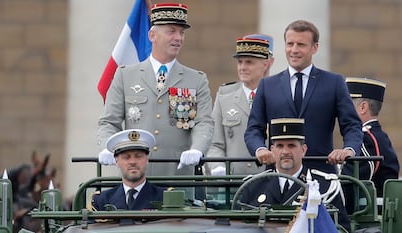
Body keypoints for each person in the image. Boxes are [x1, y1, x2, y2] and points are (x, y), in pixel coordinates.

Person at [97, 3, 213, 177]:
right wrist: (109, 145)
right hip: (137, 175)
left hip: (178, 175)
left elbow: (204, 123)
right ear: (152, 35)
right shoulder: (125, 75)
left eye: (182, 33)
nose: (178, 38)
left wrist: (197, 149)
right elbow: (108, 122)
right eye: (171, 31)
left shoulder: (196, 79)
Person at [244, 19, 363, 174]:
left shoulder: (334, 82)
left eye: (301, 45)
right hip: (278, 175)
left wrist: (348, 150)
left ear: (315, 48)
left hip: (321, 173)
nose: (294, 50)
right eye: (290, 44)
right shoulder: (267, 85)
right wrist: (259, 149)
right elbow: (254, 128)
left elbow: (352, 125)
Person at [240, 118, 351, 231]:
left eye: (291, 145)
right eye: (280, 146)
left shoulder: (325, 187)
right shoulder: (254, 186)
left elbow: (341, 228)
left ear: (303, 150)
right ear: (272, 150)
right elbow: (239, 226)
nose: (285, 152)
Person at [206, 34, 274, 176]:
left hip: (268, 179)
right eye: (240, 62)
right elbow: (214, 143)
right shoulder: (225, 96)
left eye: (249, 62)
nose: (242, 67)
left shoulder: (278, 95)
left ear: (265, 64)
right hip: (232, 181)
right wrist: (218, 167)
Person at [342, 77, 399, 197]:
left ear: (363, 107)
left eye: (347, 104)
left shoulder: (366, 138)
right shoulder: (376, 135)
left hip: (369, 211)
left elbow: (351, 181)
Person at [92, 129, 165, 211]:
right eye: (126, 157)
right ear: (116, 161)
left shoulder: (165, 198)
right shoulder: (102, 200)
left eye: (138, 156)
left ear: (147, 159)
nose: (133, 162)